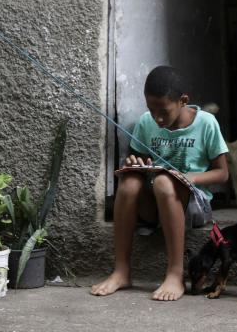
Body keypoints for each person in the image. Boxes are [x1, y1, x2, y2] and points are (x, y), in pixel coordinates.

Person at [91, 65, 229, 301]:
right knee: (130, 183)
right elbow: (138, 162)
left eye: (163, 111)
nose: (158, 118)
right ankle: (121, 271)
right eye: (151, 110)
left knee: (165, 182)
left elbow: (222, 174)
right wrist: (134, 163)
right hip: (157, 201)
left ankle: (175, 273)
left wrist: (190, 177)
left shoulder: (206, 123)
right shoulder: (147, 123)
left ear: (183, 100)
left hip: (193, 205)